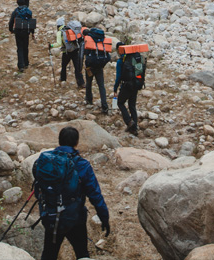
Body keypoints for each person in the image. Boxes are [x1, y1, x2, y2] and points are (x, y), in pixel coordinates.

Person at [34, 126, 110, 260]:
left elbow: (39, 188)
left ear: (59, 141)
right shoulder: (82, 165)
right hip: (75, 218)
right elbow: (95, 194)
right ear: (76, 143)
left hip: (52, 216)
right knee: (82, 254)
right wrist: (104, 217)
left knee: (48, 255)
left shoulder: (46, 161)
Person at [113, 39, 143, 135]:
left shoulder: (121, 61)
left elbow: (118, 77)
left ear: (119, 50)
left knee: (120, 102)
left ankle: (129, 122)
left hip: (127, 85)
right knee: (132, 105)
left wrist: (115, 89)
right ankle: (134, 128)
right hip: (136, 84)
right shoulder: (133, 58)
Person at [83, 27, 111, 114]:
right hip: (99, 67)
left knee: (89, 83)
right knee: (101, 86)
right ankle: (105, 106)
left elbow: (84, 54)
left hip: (90, 67)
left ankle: (89, 100)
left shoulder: (89, 41)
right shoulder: (101, 40)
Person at [51, 18, 85, 89]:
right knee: (77, 67)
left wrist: (51, 45)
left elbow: (58, 44)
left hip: (66, 52)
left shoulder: (60, 32)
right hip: (75, 51)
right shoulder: (70, 29)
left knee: (64, 66)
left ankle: (63, 80)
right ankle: (81, 83)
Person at [8, 3, 35, 72]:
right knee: (25, 47)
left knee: (20, 48)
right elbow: (30, 22)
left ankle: (21, 66)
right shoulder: (28, 11)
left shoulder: (16, 11)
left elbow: (11, 21)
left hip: (18, 32)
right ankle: (26, 63)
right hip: (26, 32)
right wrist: (32, 32)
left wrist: (11, 30)